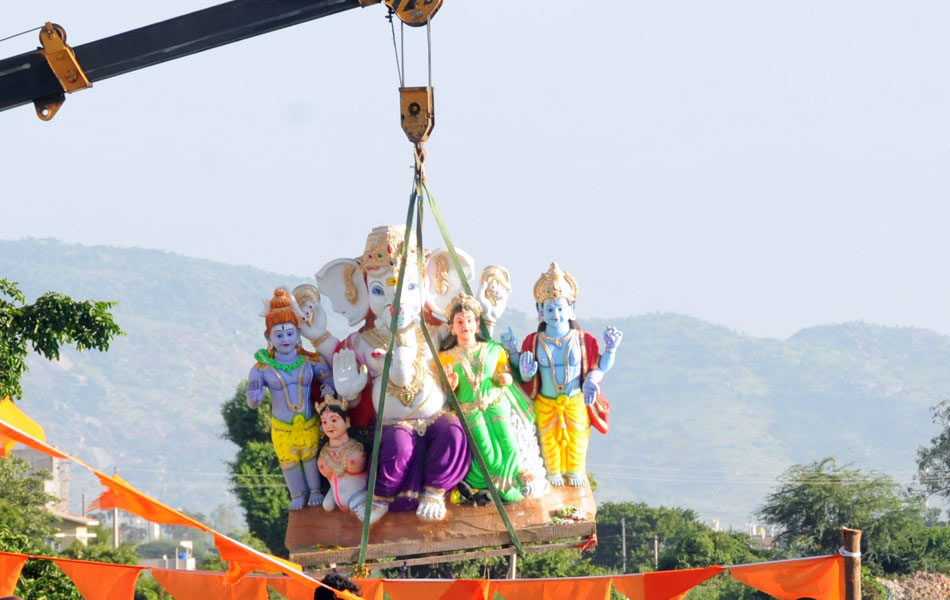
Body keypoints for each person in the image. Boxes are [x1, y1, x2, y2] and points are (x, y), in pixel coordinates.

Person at [503, 263, 623, 487]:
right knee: (548, 442)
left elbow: (599, 367)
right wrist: (513, 354)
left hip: (575, 400)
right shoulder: (534, 341)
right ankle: (553, 472)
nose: (555, 314)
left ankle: (575, 472)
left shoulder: (583, 340)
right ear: (540, 311)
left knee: (577, 441)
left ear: (571, 308)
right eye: (549, 309)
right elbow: (524, 372)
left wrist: (611, 349)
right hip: (545, 403)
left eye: (560, 308)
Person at [439, 293, 538, 503]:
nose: (464, 325)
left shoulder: (494, 349)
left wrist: (505, 378)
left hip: (496, 402)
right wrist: (451, 385)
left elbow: (505, 374)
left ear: (476, 324)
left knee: (509, 444)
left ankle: (514, 477)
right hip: (469, 409)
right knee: (486, 452)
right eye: (459, 321)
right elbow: (445, 391)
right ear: (451, 327)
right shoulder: (445, 356)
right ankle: (495, 484)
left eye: (469, 321)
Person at [247, 288, 333, 509]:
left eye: (289, 333)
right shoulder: (261, 368)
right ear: (268, 336)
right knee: (289, 463)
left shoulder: (311, 361)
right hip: (282, 428)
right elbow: (252, 400)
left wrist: (328, 389)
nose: (285, 339)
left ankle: (315, 490)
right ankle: (297, 495)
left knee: (311, 458)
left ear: (297, 333)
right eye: (279, 334)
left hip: (308, 423)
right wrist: (254, 397)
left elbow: (330, 380)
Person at [316, 396, 368, 513]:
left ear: (347, 422)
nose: (329, 425)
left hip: (361, 503)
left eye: (334, 420)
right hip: (337, 509)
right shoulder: (323, 452)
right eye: (324, 422)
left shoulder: (358, 448)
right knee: (327, 505)